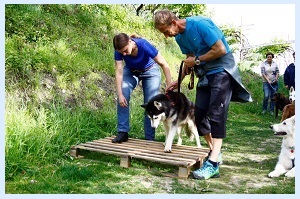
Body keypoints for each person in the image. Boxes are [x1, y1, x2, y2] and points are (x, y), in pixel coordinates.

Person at [154, 10, 252, 180]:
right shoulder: (179, 37)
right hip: (205, 74)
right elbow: (189, 59)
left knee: (216, 115)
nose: (167, 36)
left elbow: (220, 49)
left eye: (165, 31)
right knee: (198, 116)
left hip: (222, 70)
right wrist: (179, 80)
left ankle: (213, 164)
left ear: (174, 23)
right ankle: (215, 152)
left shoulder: (200, 24)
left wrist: (197, 61)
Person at [112, 33, 172, 143]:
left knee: (150, 102)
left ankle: (149, 138)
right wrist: (120, 94)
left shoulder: (144, 45)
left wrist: (169, 87)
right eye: (122, 53)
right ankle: (122, 132)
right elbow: (119, 72)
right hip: (131, 71)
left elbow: (164, 64)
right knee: (123, 94)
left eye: (126, 50)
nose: (124, 54)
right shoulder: (119, 50)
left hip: (150, 71)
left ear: (130, 41)